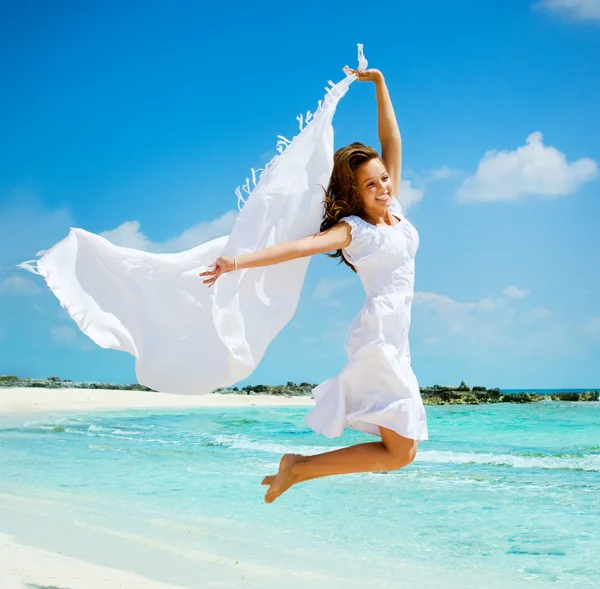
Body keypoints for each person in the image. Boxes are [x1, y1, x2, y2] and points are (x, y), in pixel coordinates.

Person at [200, 67, 428, 504]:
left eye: (383, 179)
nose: (382, 187)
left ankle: (298, 468)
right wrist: (237, 261)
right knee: (402, 452)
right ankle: (299, 470)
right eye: (370, 184)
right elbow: (298, 246)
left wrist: (380, 85)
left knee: (402, 452)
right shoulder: (354, 230)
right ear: (354, 193)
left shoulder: (394, 207)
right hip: (379, 336)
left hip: (397, 338)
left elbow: (392, 141)